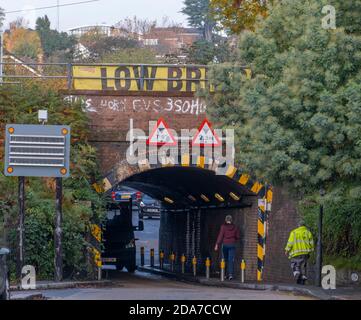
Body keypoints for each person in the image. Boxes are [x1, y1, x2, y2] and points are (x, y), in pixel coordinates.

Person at [285, 220, 314, 285]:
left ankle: (297, 272)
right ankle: (303, 276)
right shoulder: (308, 232)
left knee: (295, 264)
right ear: (305, 226)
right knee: (303, 265)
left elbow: (290, 243)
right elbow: (311, 243)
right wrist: (311, 251)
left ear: (299, 225)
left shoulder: (294, 232)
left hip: (295, 253)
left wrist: (287, 250)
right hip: (305, 253)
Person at [214, 215, 240, 280]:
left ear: (225, 220)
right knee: (230, 260)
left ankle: (225, 274)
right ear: (231, 220)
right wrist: (234, 240)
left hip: (225, 245)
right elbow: (237, 236)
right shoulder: (235, 227)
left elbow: (220, 236)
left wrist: (217, 244)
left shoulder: (223, 227)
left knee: (224, 259)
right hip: (232, 245)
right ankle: (230, 274)